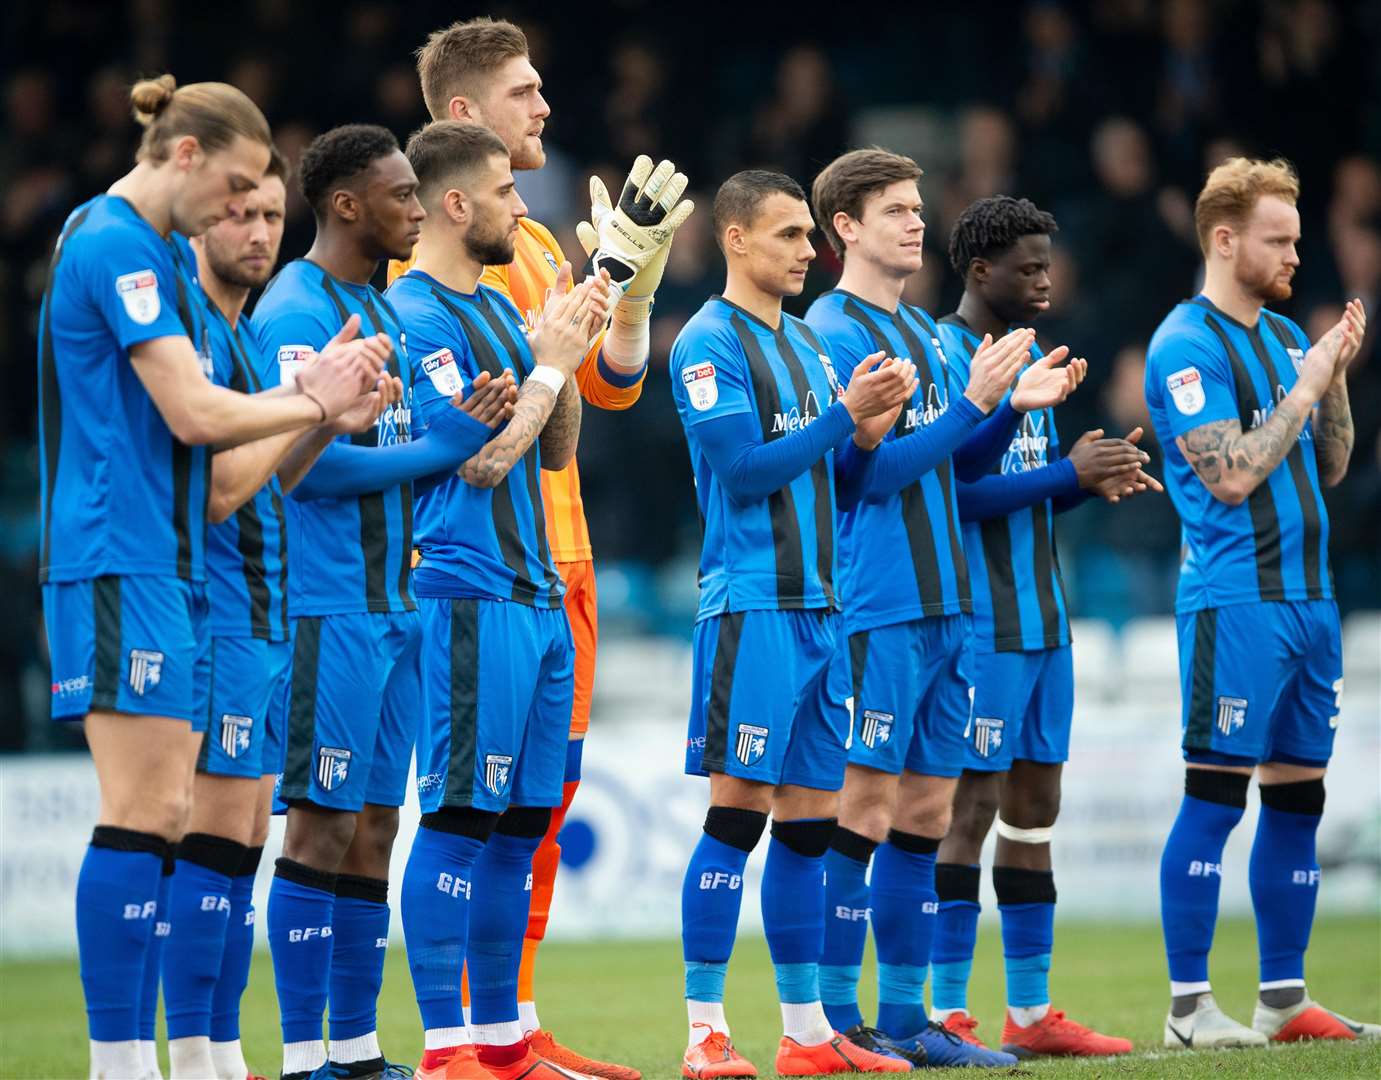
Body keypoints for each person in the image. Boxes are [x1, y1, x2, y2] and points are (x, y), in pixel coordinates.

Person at [37, 75, 387, 1080]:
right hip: (120, 555)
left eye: (262, 201)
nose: (241, 215)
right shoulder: (109, 243)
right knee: (146, 816)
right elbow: (194, 416)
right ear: (183, 156)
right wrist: (308, 396)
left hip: (177, 566)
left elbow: (226, 479)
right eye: (236, 191)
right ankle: (123, 1062)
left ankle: (192, 1056)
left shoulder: (155, 262)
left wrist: (312, 409)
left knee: (183, 824)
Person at [390, 26, 693, 1076]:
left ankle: (510, 1029)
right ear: (463, 118)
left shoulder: (537, 244)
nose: (546, 108)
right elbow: (469, 433)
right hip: (472, 560)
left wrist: (634, 291)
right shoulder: (419, 245)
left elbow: (604, 387)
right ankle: (457, 1035)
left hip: (558, 555)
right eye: (524, 91)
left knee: (539, 809)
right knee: (470, 808)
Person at [805, 151, 1082, 1069]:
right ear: (845, 226)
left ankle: (907, 1018)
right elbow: (868, 475)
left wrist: (1008, 409)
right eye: (894, 210)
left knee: (925, 810)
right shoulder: (831, 329)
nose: (915, 222)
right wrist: (975, 401)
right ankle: (838, 1019)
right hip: (878, 601)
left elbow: (960, 465)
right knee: (868, 806)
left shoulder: (920, 334)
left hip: (947, 606)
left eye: (917, 207)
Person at [253, 123, 516, 1080]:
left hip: (395, 602)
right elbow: (303, 468)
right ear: (346, 204)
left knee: (375, 824)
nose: (416, 208)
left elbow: (410, 444)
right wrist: (448, 446)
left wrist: (463, 429)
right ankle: (299, 1054)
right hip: (326, 604)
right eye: (401, 195)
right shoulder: (294, 312)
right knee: (319, 823)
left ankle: (357, 1050)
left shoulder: (382, 311)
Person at [671, 169, 921, 1079]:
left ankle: (808, 1034)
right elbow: (741, 471)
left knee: (811, 826)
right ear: (734, 239)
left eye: (808, 237)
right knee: (736, 818)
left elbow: (843, 485)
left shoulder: (812, 352)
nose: (807, 252)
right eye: (786, 236)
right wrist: (842, 421)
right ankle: (703, 1033)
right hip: (751, 607)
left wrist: (861, 434)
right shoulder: (706, 341)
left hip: (824, 610)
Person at [387, 119, 611, 1080]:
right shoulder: (419, 314)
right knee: (459, 819)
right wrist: (550, 367)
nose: (523, 208)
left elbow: (553, 446)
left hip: (536, 591)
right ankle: (446, 1051)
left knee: (521, 824)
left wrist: (567, 328)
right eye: (507, 194)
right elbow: (476, 462)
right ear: (454, 203)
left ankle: (505, 1043)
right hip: (470, 588)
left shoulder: (488, 305)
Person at [1144, 157, 1378, 1048]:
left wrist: (1333, 373)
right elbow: (1232, 474)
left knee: (1297, 801)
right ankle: (1187, 1009)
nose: (1293, 252)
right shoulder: (1183, 344)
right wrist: (1308, 383)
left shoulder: (1282, 336)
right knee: (1214, 797)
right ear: (1224, 239)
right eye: (1276, 238)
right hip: (1235, 601)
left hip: (1309, 603)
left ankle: (1283, 997)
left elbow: (1329, 464)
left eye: (1295, 235)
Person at [932, 195, 1157, 1059]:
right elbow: (950, 490)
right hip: (979, 625)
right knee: (969, 808)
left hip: (1042, 623)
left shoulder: (1032, 357)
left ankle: (1029, 1015)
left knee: (1035, 810)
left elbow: (1024, 487)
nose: (1044, 278)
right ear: (980, 272)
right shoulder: (948, 356)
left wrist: (1083, 472)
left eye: (1046, 264)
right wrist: (1067, 473)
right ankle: (949, 1010)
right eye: (1027, 266)